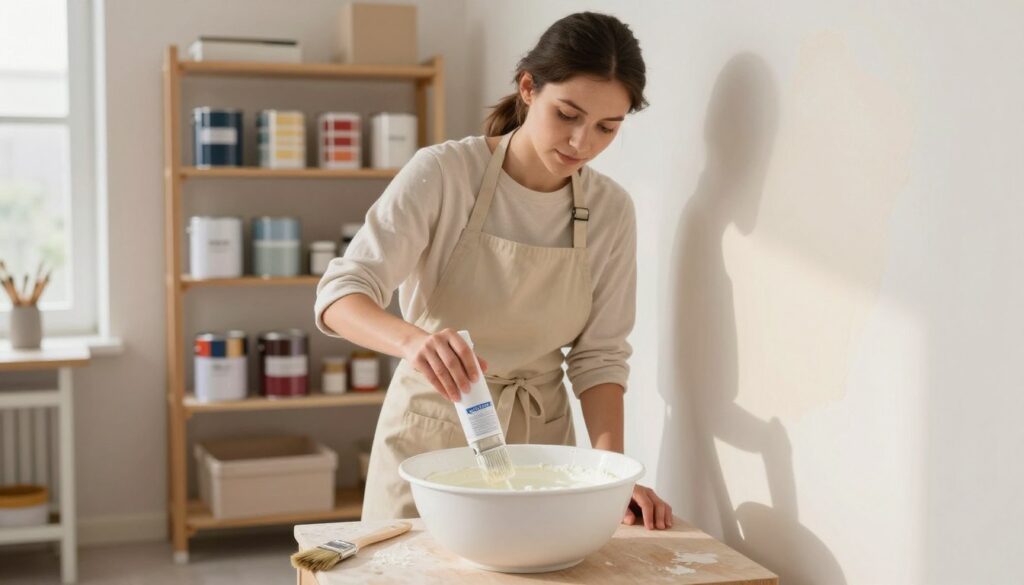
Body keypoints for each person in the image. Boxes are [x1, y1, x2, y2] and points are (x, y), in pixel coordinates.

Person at [315, 11, 672, 530]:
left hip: (543, 454)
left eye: (606, 127)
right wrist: (414, 342)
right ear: (528, 88)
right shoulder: (443, 173)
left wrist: (609, 473)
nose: (582, 143)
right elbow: (340, 293)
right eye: (567, 115)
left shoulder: (610, 209)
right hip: (430, 442)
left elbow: (600, 358)